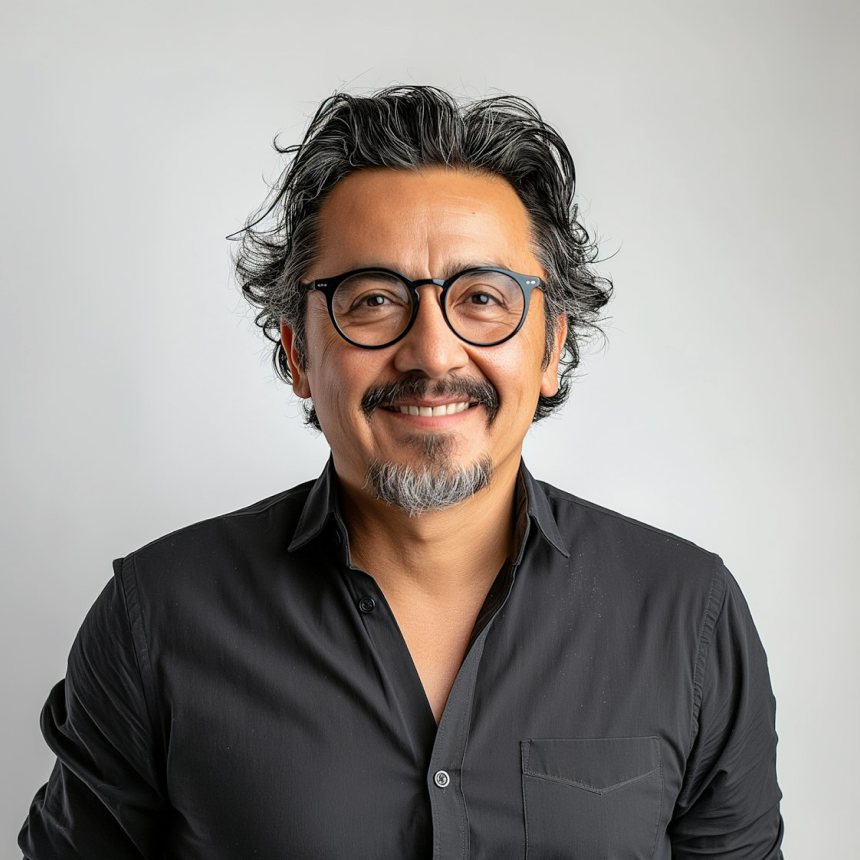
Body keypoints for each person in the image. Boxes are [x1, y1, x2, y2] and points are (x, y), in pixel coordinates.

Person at [19, 86, 784, 859]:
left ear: (553, 348)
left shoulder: (689, 615)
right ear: (297, 353)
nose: (432, 353)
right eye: (375, 300)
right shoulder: (155, 619)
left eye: (482, 297)